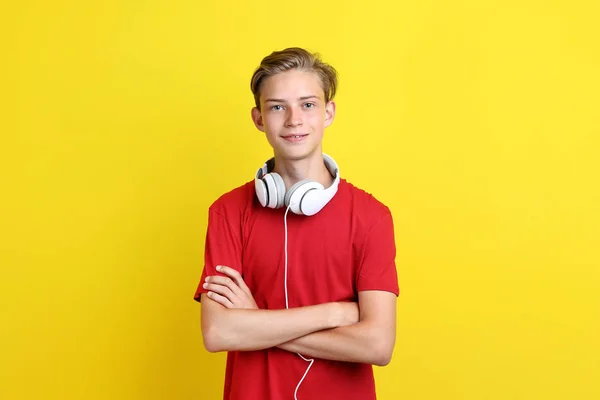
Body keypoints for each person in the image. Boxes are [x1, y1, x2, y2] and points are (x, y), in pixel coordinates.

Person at [193, 47, 399, 400]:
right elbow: (219, 333)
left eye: (307, 104)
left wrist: (256, 321)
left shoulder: (371, 216)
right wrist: (333, 313)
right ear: (258, 119)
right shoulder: (227, 211)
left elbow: (377, 345)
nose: (293, 120)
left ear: (328, 112)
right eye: (277, 107)